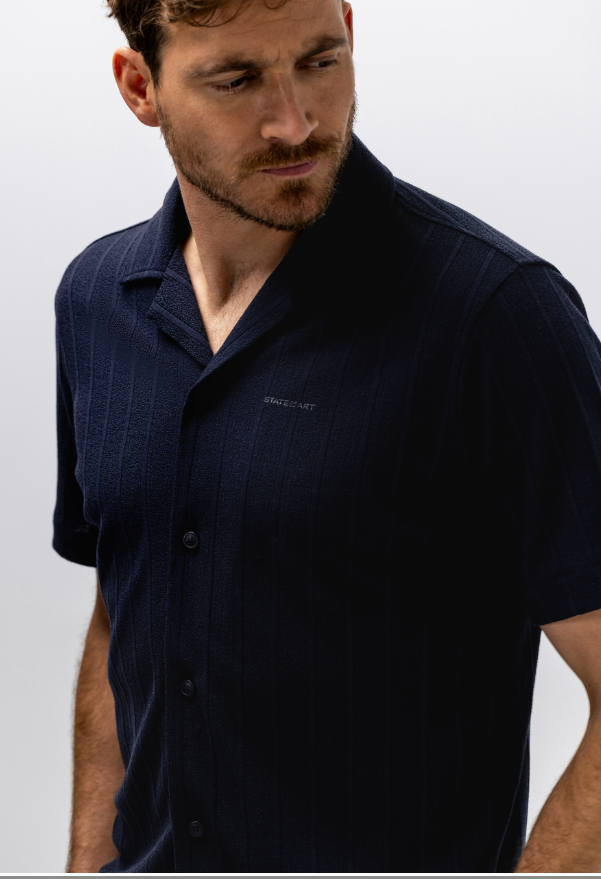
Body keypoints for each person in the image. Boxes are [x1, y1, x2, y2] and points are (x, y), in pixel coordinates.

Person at [52, 0, 601, 872]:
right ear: (140, 87)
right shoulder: (95, 298)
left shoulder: (494, 315)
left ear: (349, 28)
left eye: (318, 61)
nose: (295, 122)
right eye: (236, 80)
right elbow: (124, 613)